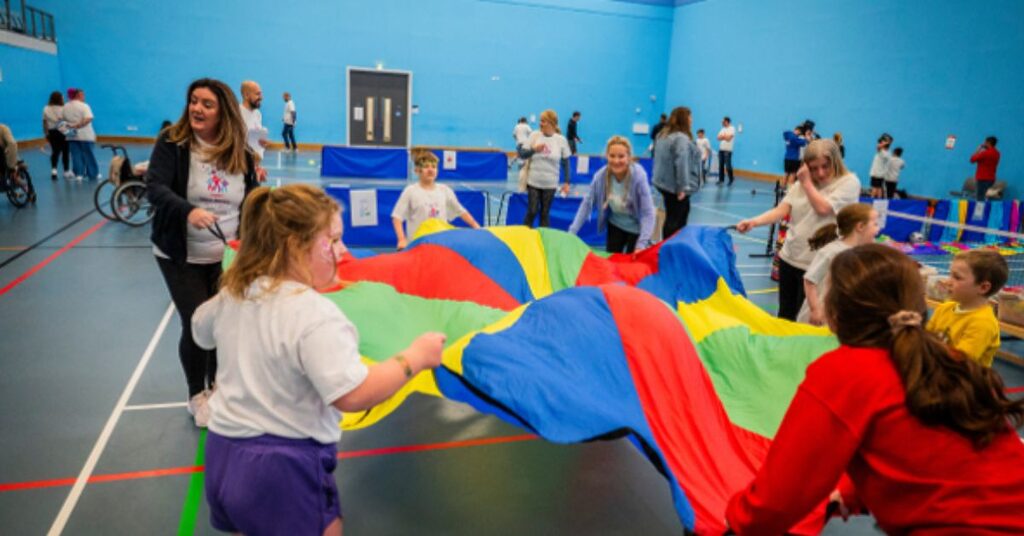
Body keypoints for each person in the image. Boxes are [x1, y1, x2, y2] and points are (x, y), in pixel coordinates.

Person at [193, 183, 446, 536]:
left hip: (223, 454)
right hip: (282, 467)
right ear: (294, 246)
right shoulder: (314, 313)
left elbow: (199, 332)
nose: (343, 251)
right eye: (334, 240)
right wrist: (414, 358)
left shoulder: (233, 295)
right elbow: (353, 394)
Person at [726, 244, 1024, 534]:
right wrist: (851, 493)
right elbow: (927, 451)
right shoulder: (946, 360)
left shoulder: (848, 372)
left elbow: (779, 497)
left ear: (836, 310)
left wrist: (736, 523)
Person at [147, 78, 261, 428]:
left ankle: (219, 388)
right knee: (198, 320)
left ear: (222, 112)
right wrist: (188, 211)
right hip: (180, 254)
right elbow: (155, 187)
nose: (197, 108)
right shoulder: (173, 143)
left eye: (206, 104)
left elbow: (252, 200)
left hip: (226, 255)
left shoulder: (240, 152)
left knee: (225, 323)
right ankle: (197, 394)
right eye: (193, 101)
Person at [737, 139, 860, 321]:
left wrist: (807, 183)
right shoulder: (801, 184)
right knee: (785, 315)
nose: (820, 173)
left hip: (817, 266)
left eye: (825, 166)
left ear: (836, 161)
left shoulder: (848, 183)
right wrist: (754, 222)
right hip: (790, 258)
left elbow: (824, 208)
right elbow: (782, 210)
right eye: (814, 168)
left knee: (806, 320)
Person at [568, 136, 656, 253]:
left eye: (621, 156)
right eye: (612, 156)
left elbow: (648, 213)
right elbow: (587, 204)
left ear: (629, 157)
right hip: (615, 225)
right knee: (613, 263)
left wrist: (641, 244)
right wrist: (572, 232)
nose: (616, 161)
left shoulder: (638, 176)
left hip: (637, 229)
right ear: (607, 156)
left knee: (632, 266)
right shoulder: (601, 176)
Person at [797, 203, 879, 325]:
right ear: (860, 227)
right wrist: (815, 309)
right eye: (875, 224)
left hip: (839, 316)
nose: (878, 229)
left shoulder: (862, 252)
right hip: (819, 319)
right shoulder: (831, 252)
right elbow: (810, 280)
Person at [927, 250, 1008, 367]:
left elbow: (960, 360)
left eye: (957, 277)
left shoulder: (983, 323)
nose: (948, 281)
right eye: (950, 275)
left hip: (964, 380)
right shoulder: (945, 307)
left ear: (983, 287)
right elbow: (926, 337)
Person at [392, 151, 480, 250]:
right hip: (418, 246)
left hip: (440, 246)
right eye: (426, 167)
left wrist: (476, 227)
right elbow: (397, 217)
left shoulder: (444, 190)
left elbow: (461, 211)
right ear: (417, 170)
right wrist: (402, 239)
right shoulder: (410, 191)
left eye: (433, 167)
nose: (430, 170)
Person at [652, 106, 702, 240]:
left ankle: (671, 245)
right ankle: (670, 247)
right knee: (676, 220)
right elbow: (681, 163)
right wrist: (682, 188)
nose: (692, 120)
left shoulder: (663, 134)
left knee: (673, 216)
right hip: (675, 187)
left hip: (663, 184)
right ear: (684, 119)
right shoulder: (681, 138)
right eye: (690, 117)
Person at [520, 109, 571, 228]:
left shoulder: (561, 140)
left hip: (550, 184)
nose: (540, 123)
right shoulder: (534, 135)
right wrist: (534, 150)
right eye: (540, 121)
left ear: (552, 123)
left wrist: (567, 182)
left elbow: (566, 163)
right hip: (534, 182)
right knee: (532, 211)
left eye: (543, 121)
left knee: (545, 213)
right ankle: (525, 237)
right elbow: (522, 154)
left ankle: (543, 241)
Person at [62, 88, 100, 181]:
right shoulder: (84, 106)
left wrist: (71, 126)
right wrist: (78, 125)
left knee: (76, 155)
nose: (84, 97)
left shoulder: (65, 106)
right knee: (88, 154)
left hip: (71, 134)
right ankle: (93, 174)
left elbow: (62, 120)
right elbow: (88, 118)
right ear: (78, 95)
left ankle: (79, 174)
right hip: (85, 134)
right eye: (82, 95)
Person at [0, 123, 36, 203]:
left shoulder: (3, 129)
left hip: (8, 155)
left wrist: (12, 166)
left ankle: (28, 189)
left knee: (15, 173)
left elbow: (12, 144)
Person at [42, 90, 71, 180]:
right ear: (60, 99)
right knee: (65, 151)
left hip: (52, 132)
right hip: (63, 131)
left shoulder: (46, 108)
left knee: (55, 152)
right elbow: (67, 120)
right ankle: (66, 171)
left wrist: (46, 133)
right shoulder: (64, 108)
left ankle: (54, 171)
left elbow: (44, 122)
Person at [239, 80, 269, 159]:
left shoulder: (257, 114)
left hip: (254, 164)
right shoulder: (237, 113)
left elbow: (254, 140)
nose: (261, 97)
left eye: (261, 94)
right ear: (246, 95)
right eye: (257, 94)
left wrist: (262, 143)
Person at [970, 136, 1000, 201]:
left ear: (988, 143)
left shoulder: (985, 153)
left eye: (985, 142)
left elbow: (972, 160)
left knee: (979, 198)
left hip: (982, 179)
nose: (984, 144)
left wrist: (978, 149)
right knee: (984, 197)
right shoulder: (997, 153)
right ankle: (985, 209)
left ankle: (979, 211)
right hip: (991, 179)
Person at [868, 133, 892, 199]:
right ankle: (879, 202)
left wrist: (886, 142)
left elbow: (878, 146)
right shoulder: (887, 153)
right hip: (879, 174)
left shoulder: (883, 152)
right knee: (879, 189)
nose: (880, 143)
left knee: (875, 189)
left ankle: (871, 201)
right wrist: (886, 142)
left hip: (877, 174)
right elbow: (879, 146)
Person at [716, 116, 735, 185]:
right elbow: (718, 137)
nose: (722, 123)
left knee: (728, 166)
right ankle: (721, 180)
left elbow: (729, 139)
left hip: (728, 150)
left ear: (727, 122)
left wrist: (723, 137)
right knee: (721, 165)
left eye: (723, 122)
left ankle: (731, 178)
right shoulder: (722, 129)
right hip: (721, 150)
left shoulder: (732, 128)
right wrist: (725, 136)